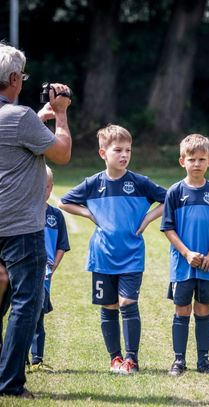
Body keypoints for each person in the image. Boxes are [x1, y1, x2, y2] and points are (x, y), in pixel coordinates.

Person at [59, 124, 166, 375]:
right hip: (102, 255)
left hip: (131, 255)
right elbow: (64, 202)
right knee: (109, 306)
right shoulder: (93, 183)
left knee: (127, 302)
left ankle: (132, 359)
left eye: (128, 150)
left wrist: (148, 218)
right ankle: (115, 358)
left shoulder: (140, 183)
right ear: (103, 153)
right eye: (118, 150)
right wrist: (88, 213)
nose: (124, 155)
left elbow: (169, 199)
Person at [0, 43, 72, 398]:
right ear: (14, 78)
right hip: (20, 226)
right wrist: (60, 114)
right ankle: (10, 383)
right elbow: (62, 153)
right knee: (27, 303)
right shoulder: (20, 117)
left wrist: (38, 119)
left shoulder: (19, 118)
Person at [160, 134, 209, 376]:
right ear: (182, 161)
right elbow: (168, 228)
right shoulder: (174, 192)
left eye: (201, 159)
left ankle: (204, 361)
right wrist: (187, 253)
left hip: (208, 265)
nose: (197, 164)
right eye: (191, 159)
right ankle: (179, 361)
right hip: (183, 265)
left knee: (203, 309)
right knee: (182, 309)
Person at [27, 166, 70, 372]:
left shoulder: (56, 216)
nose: (41, 190)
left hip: (44, 275)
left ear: (51, 188)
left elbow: (62, 245)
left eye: (45, 186)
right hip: (25, 270)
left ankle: (37, 359)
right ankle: (19, 357)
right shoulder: (23, 213)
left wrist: (54, 266)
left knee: (38, 317)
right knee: (24, 314)